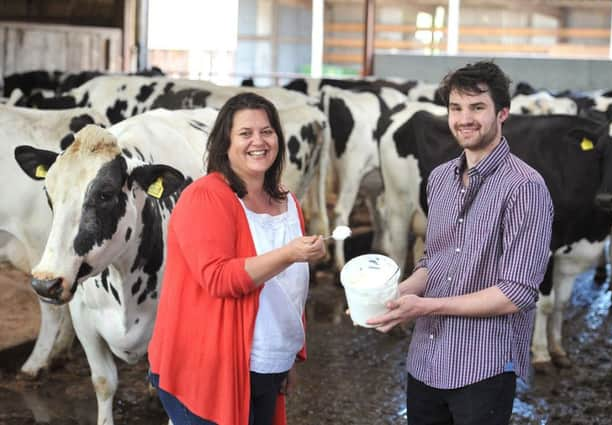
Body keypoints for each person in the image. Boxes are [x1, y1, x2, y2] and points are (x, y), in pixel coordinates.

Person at [367, 61, 554, 425]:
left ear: (503, 113)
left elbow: (516, 294)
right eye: (456, 108)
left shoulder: (525, 188)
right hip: (425, 362)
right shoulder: (439, 179)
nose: (464, 119)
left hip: (481, 367)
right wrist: (392, 297)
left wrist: (424, 307)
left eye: (477, 107)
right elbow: (432, 262)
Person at [147, 92, 326, 425]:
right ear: (224, 144)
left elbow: (289, 288)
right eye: (245, 133)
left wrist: (286, 358)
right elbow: (219, 278)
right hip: (211, 366)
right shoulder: (205, 197)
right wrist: (290, 253)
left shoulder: (286, 200)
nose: (258, 141)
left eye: (267, 131)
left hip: (266, 362)